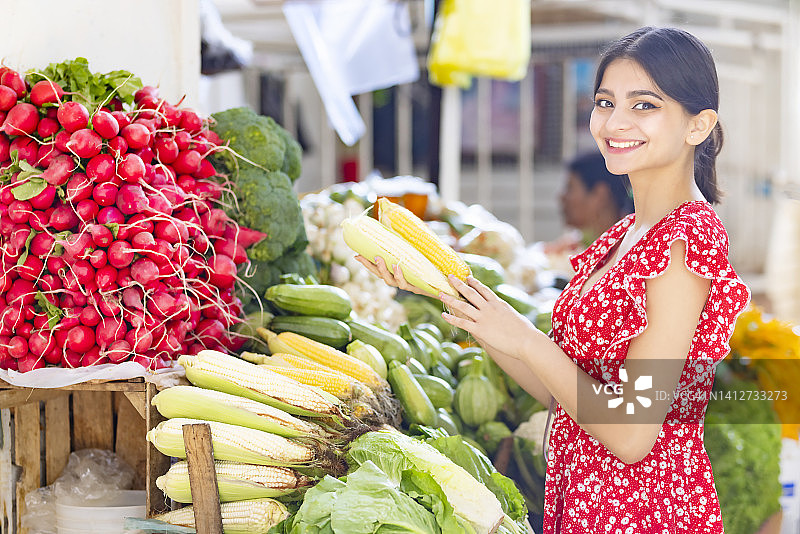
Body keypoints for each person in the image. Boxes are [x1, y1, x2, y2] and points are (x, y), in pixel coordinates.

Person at [357, 26, 750, 533]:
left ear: (698, 125)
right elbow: (562, 393)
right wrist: (441, 288)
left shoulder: (685, 242)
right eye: (605, 102)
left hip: (642, 514)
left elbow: (631, 431)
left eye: (645, 105)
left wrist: (524, 337)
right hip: (583, 503)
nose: (616, 121)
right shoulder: (627, 234)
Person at [547, 151, 633, 255]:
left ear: (600, 195)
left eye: (570, 188)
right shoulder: (580, 244)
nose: (562, 197)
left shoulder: (627, 252)